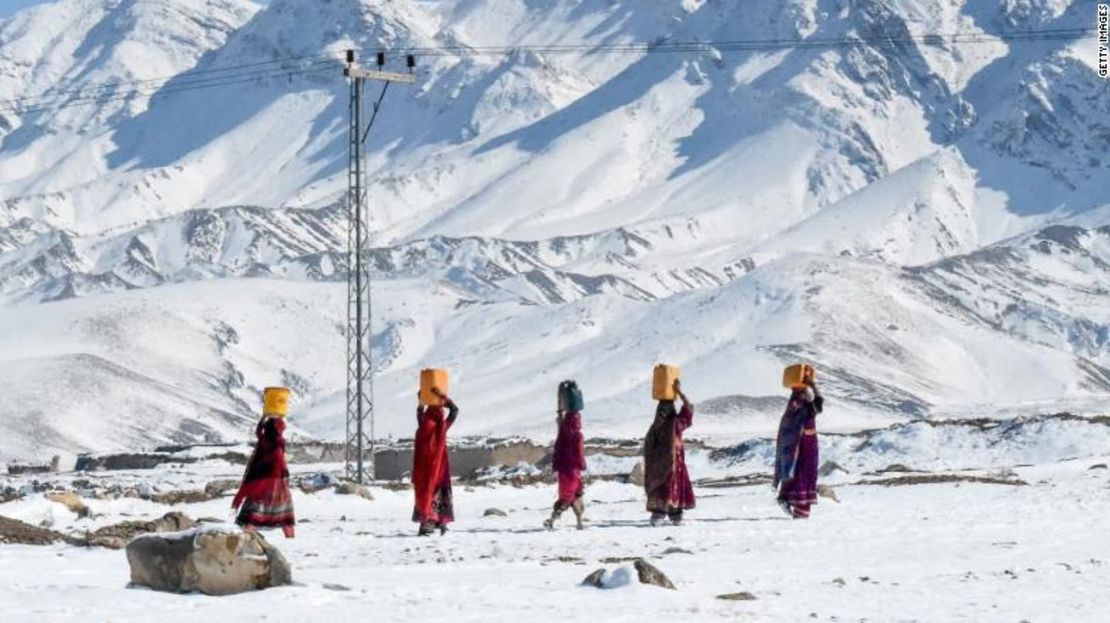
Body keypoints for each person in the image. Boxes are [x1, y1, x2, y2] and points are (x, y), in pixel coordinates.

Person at [232, 389, 295, 538]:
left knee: (256, 503)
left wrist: (264, 417)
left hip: (260, 477)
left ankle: (248, 529)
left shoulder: (264, 440)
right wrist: (285, 472)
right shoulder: (276, 442)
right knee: (284, 507)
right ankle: (290, 536)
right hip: (276, 477)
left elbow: (259, 432)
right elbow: (278, 459)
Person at [643, 379, 695, 526]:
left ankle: (663, 516)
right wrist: (680, 393)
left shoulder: (659, 427)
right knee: (672, 489)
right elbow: (688, 411)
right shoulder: (673, 424)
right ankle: (672, 516)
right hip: (673, 466)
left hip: (662, 469)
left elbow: (647, 451)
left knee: (664, 490)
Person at [774, 371, 824, 519]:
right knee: (804, 474)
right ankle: (800, 509)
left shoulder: (792, 406)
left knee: (794, 473)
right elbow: (819, 403)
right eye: (807, 392)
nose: (809, 394)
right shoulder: (804, 406)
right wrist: (813, 385)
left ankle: (787, 499)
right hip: (806, 445)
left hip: (799, 445)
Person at [412, 387, 458, 536]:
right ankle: (440, 522)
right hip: (440, 468)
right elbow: (455, 410)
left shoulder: (423, 424)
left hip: (424, 470)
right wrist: (444, 399)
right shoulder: (442, 426)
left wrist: (421, 401)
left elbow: (419, 412)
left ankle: (427, 523)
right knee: (439, 493)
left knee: (426, 494)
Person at [544, 405, 587, 529]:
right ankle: (555, 519)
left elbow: (557, 448)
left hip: (563, 470)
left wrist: (560, 417)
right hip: (573, 470)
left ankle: (559, 519)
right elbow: (579, 452)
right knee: (573, 495)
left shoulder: (562, 434)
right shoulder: (577, 435)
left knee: (569, 495)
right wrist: (582, 465)